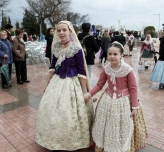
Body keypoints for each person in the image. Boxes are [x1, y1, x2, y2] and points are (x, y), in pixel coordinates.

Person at [35, 20, 94, 151]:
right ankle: (53, 139)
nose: (61, 33)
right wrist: (47, 83)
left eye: (64, 30)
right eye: (59, 30)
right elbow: (52, 66)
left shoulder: (76, 49)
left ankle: (71, 140)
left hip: (71, 84)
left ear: (70, 31)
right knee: (52, 112)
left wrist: (85, 92)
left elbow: (81, 71)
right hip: (56, 82)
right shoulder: (56, 47)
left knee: (68, 114)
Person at [84, 41, 147, 152]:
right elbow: (99, 84)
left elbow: (133, 89)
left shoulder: (127, 70)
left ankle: (120, 146)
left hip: (123, 102)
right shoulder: (106, 68)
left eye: (115, 54)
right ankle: (105, 145)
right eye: (109, 54)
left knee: (121, 126)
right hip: (107, 100)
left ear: (121, 55)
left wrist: (135, 106)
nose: (112, 56)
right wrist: (89, 94)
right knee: (107, 125)